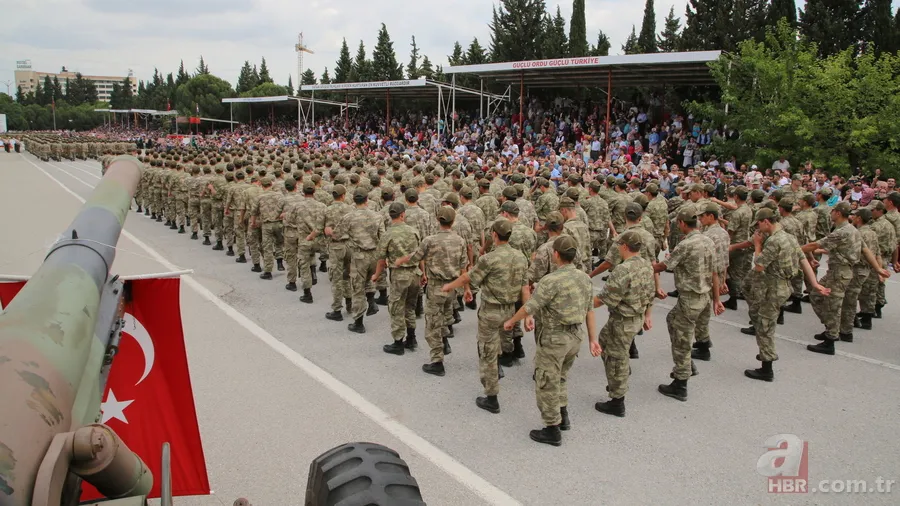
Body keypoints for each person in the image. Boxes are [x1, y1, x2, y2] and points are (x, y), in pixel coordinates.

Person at [504, 236, 596, 447]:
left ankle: (552, 428)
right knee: (561, 376)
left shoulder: (551, 280)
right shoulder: (584, 278)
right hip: (575, 336)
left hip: (555, 338)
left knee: (546, 381)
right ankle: (563, 414)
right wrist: (593, 339)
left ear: (556, 254)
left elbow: (530, 307)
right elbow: (590, 309)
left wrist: (512, 321)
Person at [441, 219, 529, 414]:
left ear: (495, 235)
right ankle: (497, 369)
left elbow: (469, 277)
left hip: (491, 310)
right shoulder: (520, 257)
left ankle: (492, 397)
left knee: (487, 351)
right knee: (498, 344)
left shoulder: (489, 258)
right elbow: (525, 287)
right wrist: (527, 312)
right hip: (510, 310)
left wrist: (450, 286)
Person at [743, 208, 827, 380]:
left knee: (765, 326)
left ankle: (767, 367)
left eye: (759, 224)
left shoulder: (774, 241)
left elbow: (759, 266)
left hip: (772, 288)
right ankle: (767, 353)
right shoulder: (790, 237)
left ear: (766, 221)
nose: (757, 229)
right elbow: (803, 260)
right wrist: (814, 284)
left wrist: (758, 245)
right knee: (764, 320)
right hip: (782, 287)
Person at [652, 203, 724, 401]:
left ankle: (680, 382)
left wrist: (645, 266)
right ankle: (688, 365)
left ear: (683, 223)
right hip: (704, 296)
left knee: (682, 340)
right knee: (672, 321)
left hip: (690, 298)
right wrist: (716, 299)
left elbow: (663, 265)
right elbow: (715, 271)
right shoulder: (708, 240)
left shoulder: (686, 244)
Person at [804, 202, 888, 355]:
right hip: (837, 272)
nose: (831, 213)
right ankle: (831, 328)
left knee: (833, 305)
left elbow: (815, 244)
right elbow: (866, 250)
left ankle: (830, 339)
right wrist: (877, 268)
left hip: (839, 273)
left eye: (833, 211)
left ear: (838, 213)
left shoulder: (842, 231)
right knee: (817, 295)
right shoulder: (852, 230)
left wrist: (793, 249)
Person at [395, 206, 468, 376]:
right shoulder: (460, 241)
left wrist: (400, 260)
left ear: (438, 220)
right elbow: (464, 267)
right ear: (453, 221)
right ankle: (444, 343)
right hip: (452, 286)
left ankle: (437, 361)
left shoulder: (430, 240)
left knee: (433, 324)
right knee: (444, 318)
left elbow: (415, 257)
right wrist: (466, 288)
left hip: (436, 286)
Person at [593, 231, 656, 417]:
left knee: (616, 358)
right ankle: (617, 378)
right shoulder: (646, 264)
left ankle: (617, 401)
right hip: (635, 318)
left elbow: (606, 297)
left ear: (625, 247)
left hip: (623, 320)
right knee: (604, 341)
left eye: (620, 245)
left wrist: (582, 307)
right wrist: (648, 315)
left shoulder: (623, 269)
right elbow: (650, 292)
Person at [372, 202, 422, 355]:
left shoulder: (388, 234)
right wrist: (424, 273)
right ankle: (412, 338)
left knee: (396, 308)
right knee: (410, 308)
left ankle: (398, 342)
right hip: (415, 274)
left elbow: (381, 259)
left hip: (399, 276)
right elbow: (420, 255)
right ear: (402, 214)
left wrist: (376, 275)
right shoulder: (414, 231)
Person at [334, 187, 385, 334]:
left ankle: (358, 322)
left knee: (357, 288)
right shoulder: (377, 216)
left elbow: (337, 235)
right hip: (375, 255)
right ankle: (372, 301)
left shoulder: (349, 217)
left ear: (354, 200)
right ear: (367, 199)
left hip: (358, 255)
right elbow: (383, 237)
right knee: (369, 280)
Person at [690, 203, 730, 362]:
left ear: (711, 216)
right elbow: (725, 260)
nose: (700, 219)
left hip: (707, 275)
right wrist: (723, 280)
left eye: (702, 216)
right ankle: (702, 340)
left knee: (702, 312)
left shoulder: (708, 236)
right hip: (718, 274)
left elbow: (708, 262)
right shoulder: (723, 233)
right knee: (703, 311)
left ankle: (703, 344)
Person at [251, 176, 286, 280]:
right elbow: (286, 208)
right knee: (279, 242)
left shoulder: (260, 197)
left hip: (266, 224)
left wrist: (253, 222)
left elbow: (254, 212)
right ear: (271, 184)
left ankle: (268, 271)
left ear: (261, 185)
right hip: (279, 223)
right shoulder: (280, 195)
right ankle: (280, 263)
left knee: (267, 248)